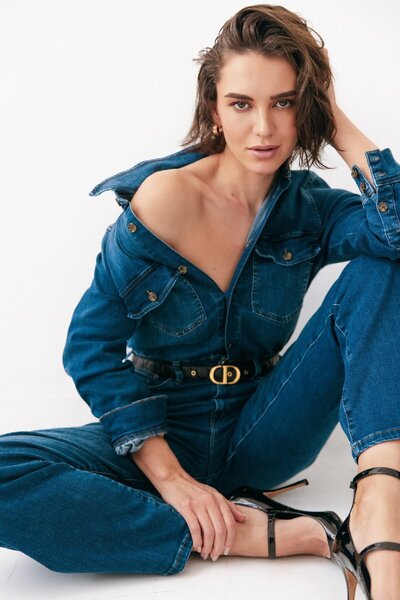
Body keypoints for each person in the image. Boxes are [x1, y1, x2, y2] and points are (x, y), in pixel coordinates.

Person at [0, 4, 399, 599]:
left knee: (383, 262)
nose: (263, 128)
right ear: (214, 108)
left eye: (284, 103)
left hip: (265, 428)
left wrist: (333, 116)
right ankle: (258, 535)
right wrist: (171, 479)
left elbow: (395, 234)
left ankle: (381, 502)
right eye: (241, 104)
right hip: (162, 433)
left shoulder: (310, 208)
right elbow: (89, 349)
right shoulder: (166, 198)